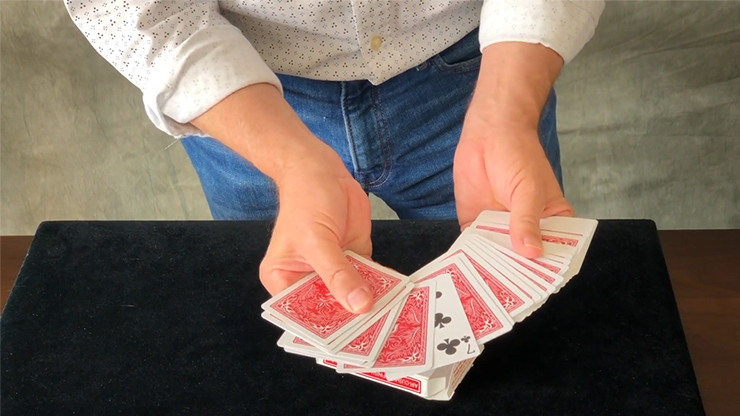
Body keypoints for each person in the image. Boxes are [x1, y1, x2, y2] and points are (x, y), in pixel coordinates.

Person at [65, 0, 604, 314]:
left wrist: (506, 112)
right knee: (287, 329)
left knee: (512, 314)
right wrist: (290, 161)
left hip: (484, 70)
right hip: (243, 91)